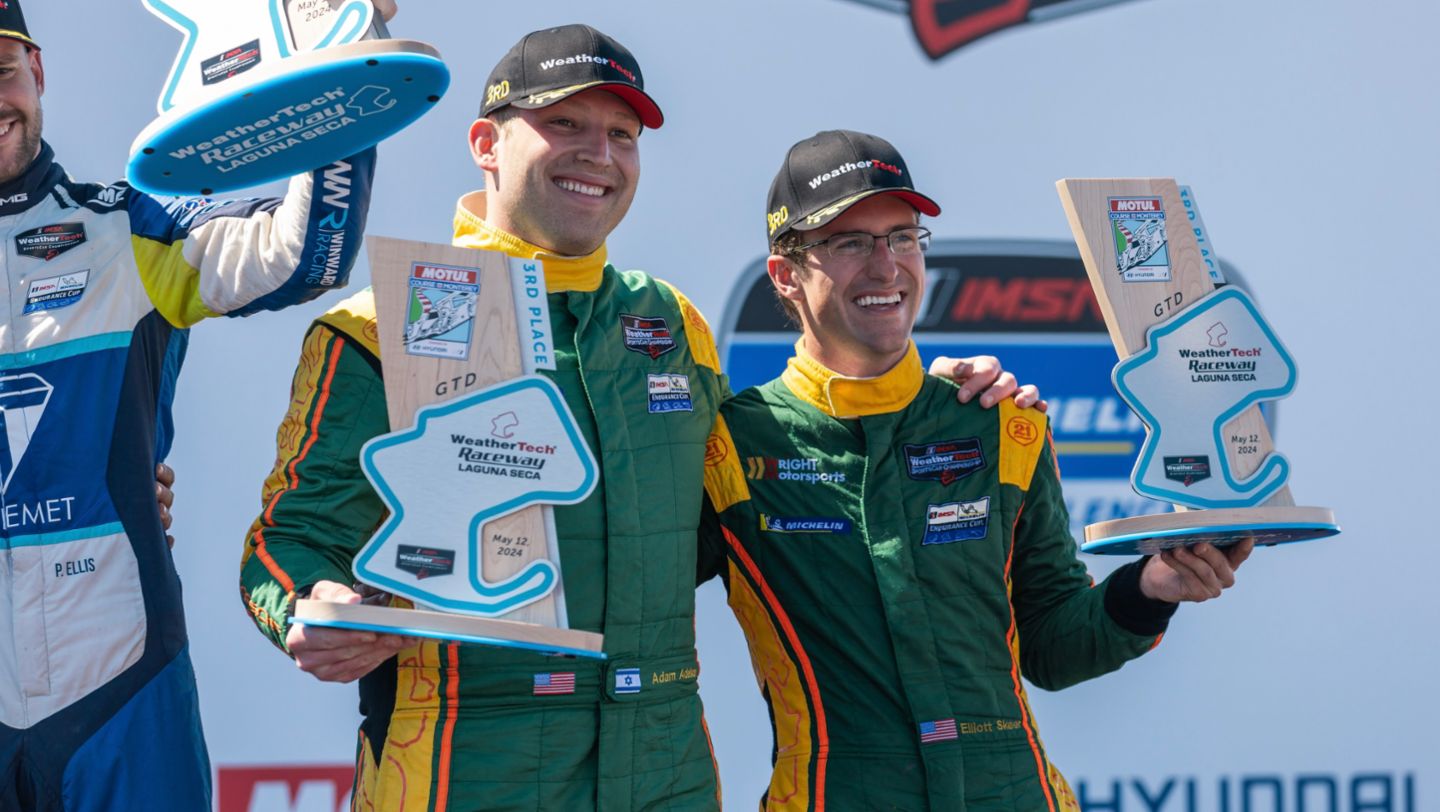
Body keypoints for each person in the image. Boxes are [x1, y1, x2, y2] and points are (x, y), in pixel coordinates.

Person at [237, 24, 1029, 811]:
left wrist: (915, 402)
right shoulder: (383, 324)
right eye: (565, 123)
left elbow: (756, 493)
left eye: (622, 134)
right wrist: (311, 604)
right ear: (486, 143)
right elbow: (289, 538)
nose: (600, 154)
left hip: (663, 763)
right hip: (464, 758)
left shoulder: (671, 324)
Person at [698, 130, 1253, 811]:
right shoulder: (731, 445)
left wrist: (1151, 587)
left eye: (903, 238)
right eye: (850, 243)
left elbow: (1052, 646)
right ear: (787, 275)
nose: (886, 266)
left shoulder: (999, 424)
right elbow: (626, 605)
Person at [0, 2, 385, 808]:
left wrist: (341, 55)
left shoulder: (125, 231)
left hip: (121, 685)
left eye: (1, 72)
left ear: (37, 72)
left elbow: (302, 255)